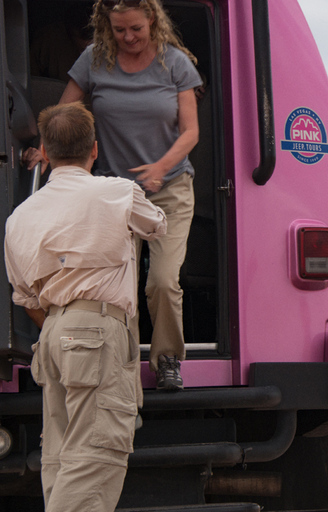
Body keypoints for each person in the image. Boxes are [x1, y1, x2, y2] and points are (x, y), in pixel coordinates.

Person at [24, 0, 202, 390]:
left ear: (152, 21)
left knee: (161, 281)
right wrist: (45, 151)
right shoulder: (94, 60)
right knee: (119, 287)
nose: (128, 37)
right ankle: (123, 365)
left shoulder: (174, 63)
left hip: (169, 188)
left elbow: (190, 132)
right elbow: (62, 111)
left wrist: (160, 167)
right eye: (119, 29)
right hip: (112, 194)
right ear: (107, 26)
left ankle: (168, 359)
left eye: (135, 28)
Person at [5, 102, 167, 512]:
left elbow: (25, 298)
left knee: (61, 456)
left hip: (53, 335)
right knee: (96, 454)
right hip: (97, 331)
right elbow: (157, 225)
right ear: (94, 149)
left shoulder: (20, 218)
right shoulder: (116, 192)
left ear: (43, 150)